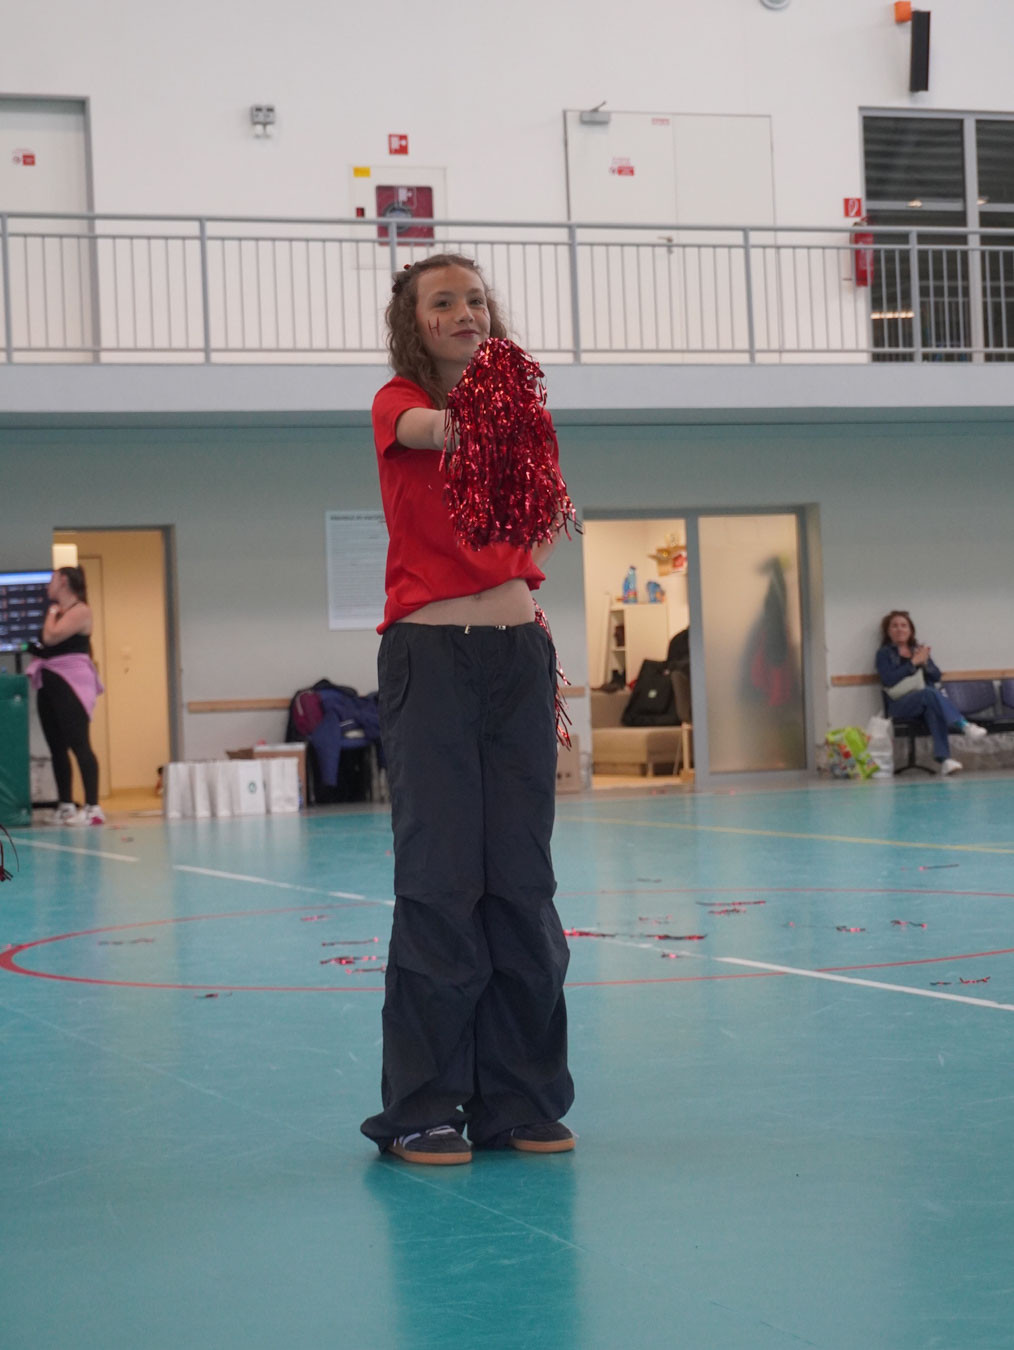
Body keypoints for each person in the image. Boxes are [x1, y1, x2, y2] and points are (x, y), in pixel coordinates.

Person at [360, 254, 575, 1165]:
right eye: (442, 301)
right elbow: (435, 429)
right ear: (413, 322)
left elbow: (541, 515)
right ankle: (423, 1107)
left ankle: (519, 1100)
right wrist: (499, 414)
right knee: (441, 883)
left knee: (522, 886)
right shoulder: (399, 402)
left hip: (517, 658)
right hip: (432, 662)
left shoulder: (523, 420)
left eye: (476, 299)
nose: (465, 312)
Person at [26, 567, 105, 824]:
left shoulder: (80, 610)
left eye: (51, 580)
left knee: (79, 744)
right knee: (56, 747)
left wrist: (51, 613)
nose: (47, 586)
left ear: (63, 581)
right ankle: (66, 805)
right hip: (49, 683)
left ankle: (93, 808)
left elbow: (52, 637)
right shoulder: (59, 613)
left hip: (71, 683)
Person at [876, 610, 987, 775]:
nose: (900, 629)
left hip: (925, 700)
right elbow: (888, 679)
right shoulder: (884, 653)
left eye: (904, 626)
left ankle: (945, 760)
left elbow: (936, 676)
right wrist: (913, 663)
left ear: (910, 630)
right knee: (929, 693)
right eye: (895, 626)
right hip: (899, 705)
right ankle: (963, 725)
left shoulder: (918, 650)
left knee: (933, 707)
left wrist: (925, 662)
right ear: (888, 631)